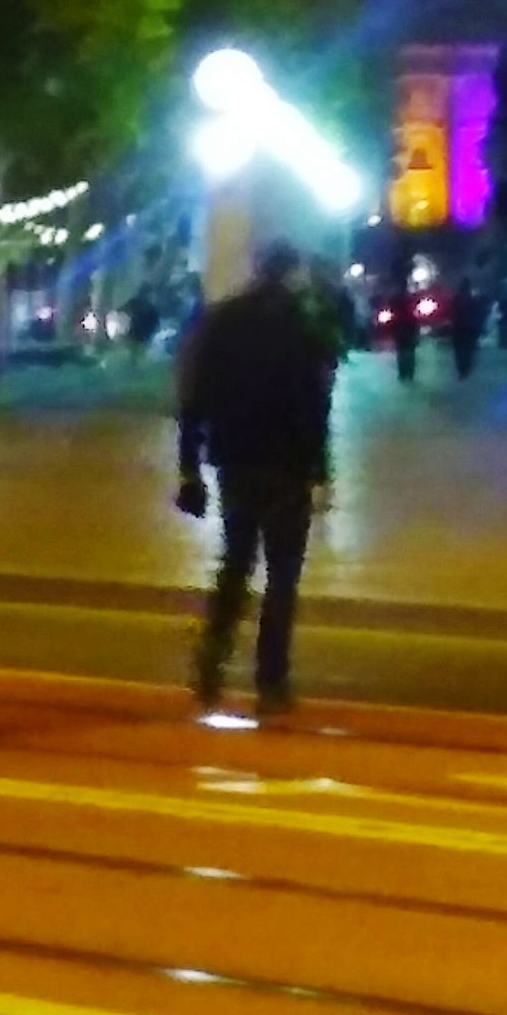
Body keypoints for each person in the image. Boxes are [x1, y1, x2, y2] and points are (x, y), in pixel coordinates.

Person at [176, 240, 332, 716]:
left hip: (235, 459)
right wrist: (320, 468)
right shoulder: (306, 325)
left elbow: (194, 398)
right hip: (286, 464)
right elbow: (316, 402)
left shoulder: (222, 321)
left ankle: (210, 666)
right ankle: (272, 679)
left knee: (235, 564)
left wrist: (189, 468)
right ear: (293, 272)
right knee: (282, 576)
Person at [449, 276, 486, 380]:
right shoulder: (472, 299)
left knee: (460, 351)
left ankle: (462, 369)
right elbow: (478, 313)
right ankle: (465, 369)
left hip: (460, 328)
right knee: (468, 350)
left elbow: (451, 313)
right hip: (468, 328)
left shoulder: (456, 299)